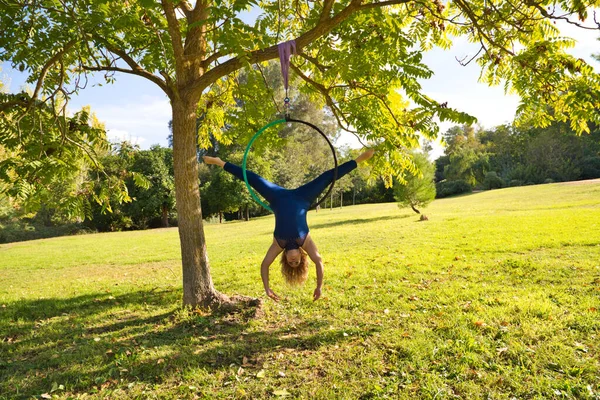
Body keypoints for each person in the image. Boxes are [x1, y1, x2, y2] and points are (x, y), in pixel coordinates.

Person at [203, 149, 374, 301]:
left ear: (284, 259)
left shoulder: (278, 244)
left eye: (290, 263)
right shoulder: (305, 242)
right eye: (296, 262)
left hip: (277, 197)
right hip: (304, 197)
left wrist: (267, 288)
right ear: (301, 257)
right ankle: (359, 160)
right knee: (328, 176)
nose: (293, 261)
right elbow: (319, 261)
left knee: (251, 178)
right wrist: (319, 286)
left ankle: (219, 162)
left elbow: (265, 265)